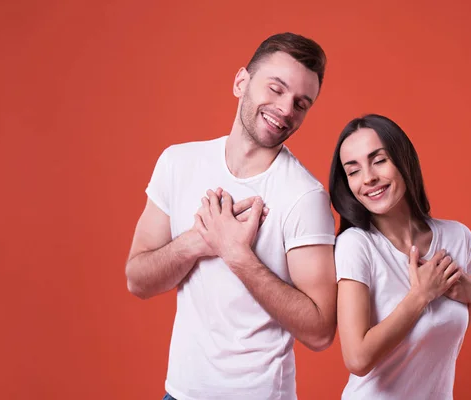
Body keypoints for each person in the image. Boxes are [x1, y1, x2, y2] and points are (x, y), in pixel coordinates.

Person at [125, 32, 337, 400]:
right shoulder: (178, 163)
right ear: (241, 82)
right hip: (179, 394)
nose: (286, 109)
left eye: (301, 103)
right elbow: (138, 280)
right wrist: (197, 242)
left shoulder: (304, 196)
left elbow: (320, 331)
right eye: (276, 88)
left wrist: (238, 255)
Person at [329, 114, 471, 399]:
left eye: (379, 160)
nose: (369, 178)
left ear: (403, 159)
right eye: (353, 171)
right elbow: (357, 359)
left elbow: (446, 336)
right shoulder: (356, 245)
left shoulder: (457, 237)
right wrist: (420, 296)